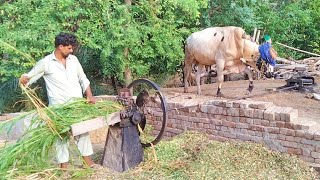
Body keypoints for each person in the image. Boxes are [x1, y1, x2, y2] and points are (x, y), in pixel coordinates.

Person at [19, 32, 99, 170]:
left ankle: (87, 160)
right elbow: (29, 77)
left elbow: (83, 78)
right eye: (69, 48)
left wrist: (89, 95)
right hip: (58, 108)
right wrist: (24, 79)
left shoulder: (74, 60)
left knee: (82, 131)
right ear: (60, 47)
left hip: (77, 105)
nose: (71, 50)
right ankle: (64, 166)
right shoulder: (46, 63)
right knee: (61, 135)